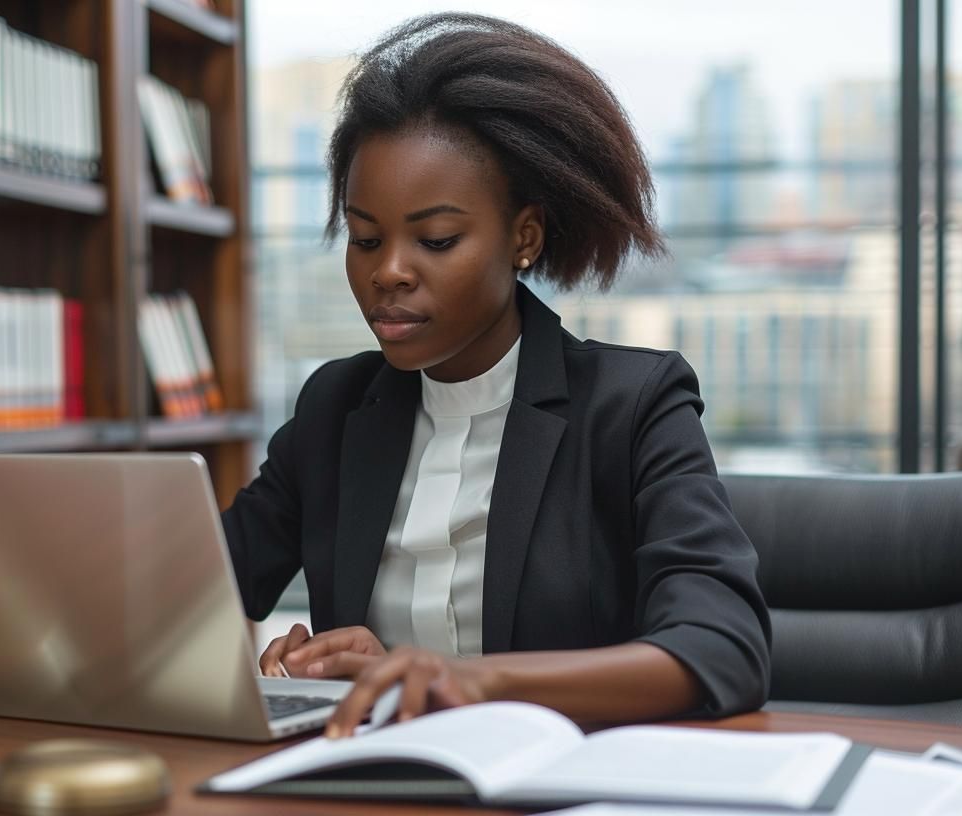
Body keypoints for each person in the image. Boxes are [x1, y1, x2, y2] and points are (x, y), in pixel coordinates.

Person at [222, 12, 770, 739]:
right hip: (372, 781)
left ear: (524, 237)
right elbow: (197, 595)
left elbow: (723, 651)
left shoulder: (633, 405)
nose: (389, 272)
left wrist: (468, 681)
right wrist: (311, 669)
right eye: (365, 239)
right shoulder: (335, 408)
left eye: (437, 239)